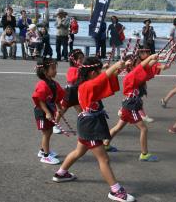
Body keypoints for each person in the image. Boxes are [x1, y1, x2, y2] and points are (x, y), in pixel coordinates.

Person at [51, 57, 136, 202]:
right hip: (90, 125)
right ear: (92, 73)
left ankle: (60, 173)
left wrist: (118, 69)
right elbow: (102, 79)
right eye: (98, 71)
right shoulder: (86, 86)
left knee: (79, 151)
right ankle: (115, 191)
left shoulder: (87, 83)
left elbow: (104, 81)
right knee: (104, 159)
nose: (100, 73)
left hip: (88, 123)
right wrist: (115, 66)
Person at [104, 54, 161, 162]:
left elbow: (147, 67)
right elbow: (144, 66)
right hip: (131, 105)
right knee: (144, 129)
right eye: (138, 62)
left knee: (118, 127)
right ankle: (144, 154)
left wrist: (154, 59)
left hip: (129, 104)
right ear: (131, 66)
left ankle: (105, 144)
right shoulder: (132, 75)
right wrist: (150, 58)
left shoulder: (135, 74)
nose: (141, 64)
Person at [32, 58, 64, 165]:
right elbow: (39, 100)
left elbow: (57, 96)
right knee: (46, 133)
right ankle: (45, 156)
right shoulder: (42, 84)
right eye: (53, 68)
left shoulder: (53, 83)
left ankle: (43, 151)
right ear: (45, 72)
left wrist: (59, 107)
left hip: (49, 110)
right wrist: (47, 112)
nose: (55, 71)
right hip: (42, 112)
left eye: (55, 68)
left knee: (49, 131)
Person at [54, 49, 85, 134]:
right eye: (80, 59)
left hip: (76, 93)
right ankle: (55, 125)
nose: (82, 60)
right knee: (62, 110)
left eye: (83, 58)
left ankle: (84, 125)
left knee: (81, 110)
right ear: (74, 60)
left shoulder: (80, 68)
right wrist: (80, 72)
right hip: (69, 93)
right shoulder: (72, 69)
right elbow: (71, 80)